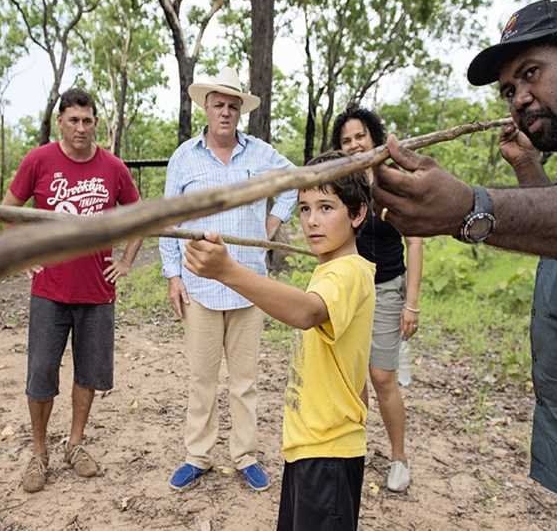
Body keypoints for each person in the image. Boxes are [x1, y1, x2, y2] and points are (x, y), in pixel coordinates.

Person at [370, 0, 557, 530]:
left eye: (531, 74)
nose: (520, 99)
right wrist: (527, 166)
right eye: (508, 90)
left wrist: (471, 207)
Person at [185, 151, 375, 530]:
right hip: (309, 447)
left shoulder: (348, 272)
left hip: (328, 455)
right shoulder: (331, 269)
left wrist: (227, 271)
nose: (312, 220)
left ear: (357, 214)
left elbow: (305, 312)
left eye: (326, 207)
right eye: (304, 208)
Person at [159, 67, 298, 492]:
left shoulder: (260, 155)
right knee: (202, 378)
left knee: (244, 380)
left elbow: (294, 182)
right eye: (218, 105)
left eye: (232, 106)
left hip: (248, 281)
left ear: (241, 112)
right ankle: (197, 455)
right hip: (200, 284)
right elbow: (170, 218)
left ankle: (245, 455)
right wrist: (173, 276)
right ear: (206, 107)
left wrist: (271, 225)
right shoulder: (185, 157)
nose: (225, 112)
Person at [2, 88, 142, 493]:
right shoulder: (39, 160)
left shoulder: (113, 168)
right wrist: (20, 254)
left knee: (90, 374)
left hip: (97, 292)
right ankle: (40, 452)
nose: (81, 128)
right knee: (41, 374)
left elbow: (139, 216)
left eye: (87, 120)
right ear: (60, 122)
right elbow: (8, 209)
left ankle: (76, 444)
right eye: (73, 120)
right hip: (49, 290)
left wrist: (127, 260)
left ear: (95, 122)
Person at [331, 106, 423, 492]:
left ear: (374, 137)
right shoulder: (340, 183)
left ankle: (399, 457)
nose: (354, 145)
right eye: (346, 140)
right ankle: (356, 448)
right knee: (353, 375)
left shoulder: (393, 183)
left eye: (360, 136)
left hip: (386, 288)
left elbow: (415, 241)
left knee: (382, 375)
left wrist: (411, 303)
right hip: (350, 289)